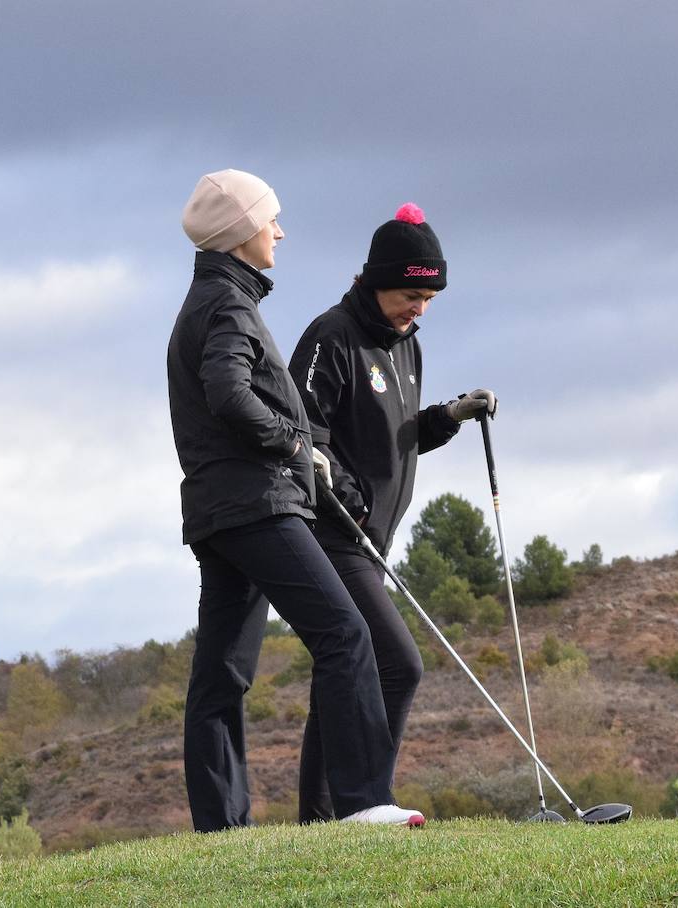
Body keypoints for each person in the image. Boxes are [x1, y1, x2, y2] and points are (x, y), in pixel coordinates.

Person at [167, 170, 425, 830]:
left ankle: (222, 830)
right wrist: (292, 443)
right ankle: (363, 803)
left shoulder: (216, 297)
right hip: (257, 503)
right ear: (240, 232)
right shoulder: (227, 305)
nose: (278, 230)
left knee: (223, 673)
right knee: (346, 634)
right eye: (270, 220)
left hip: (222, 510)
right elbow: (228, 394)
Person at [287, 203, 496, 823]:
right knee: (398, 664)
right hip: (333, 534)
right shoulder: (331, 335)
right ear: (376, 280)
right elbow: (304, 430)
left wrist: (450, 416)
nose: (419, 309)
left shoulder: (408, 346)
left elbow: (403, 435)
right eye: (411, 294)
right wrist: (343, 490)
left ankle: (323, 820)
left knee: (343, 679)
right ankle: (369, 801)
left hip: (375, 540)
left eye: (430, 298)